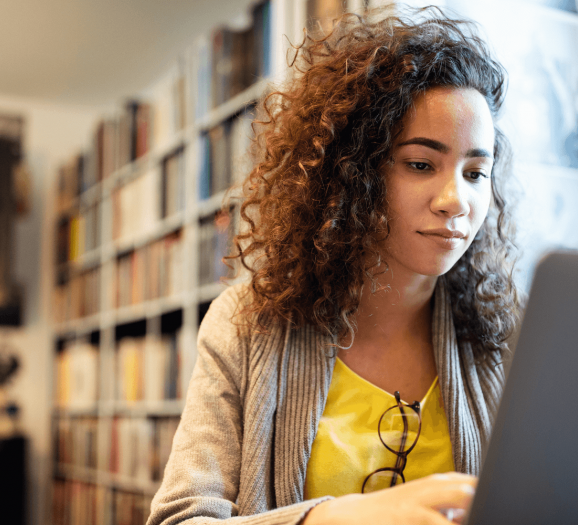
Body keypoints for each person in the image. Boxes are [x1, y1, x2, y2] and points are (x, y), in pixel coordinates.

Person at [148, 7, 522, 525]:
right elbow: (180, 519)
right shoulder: (245, 325)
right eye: (420, 164)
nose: (456, 199)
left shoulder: (508, 335)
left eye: (477, 172)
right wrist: (341, 517)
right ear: (352, 171)